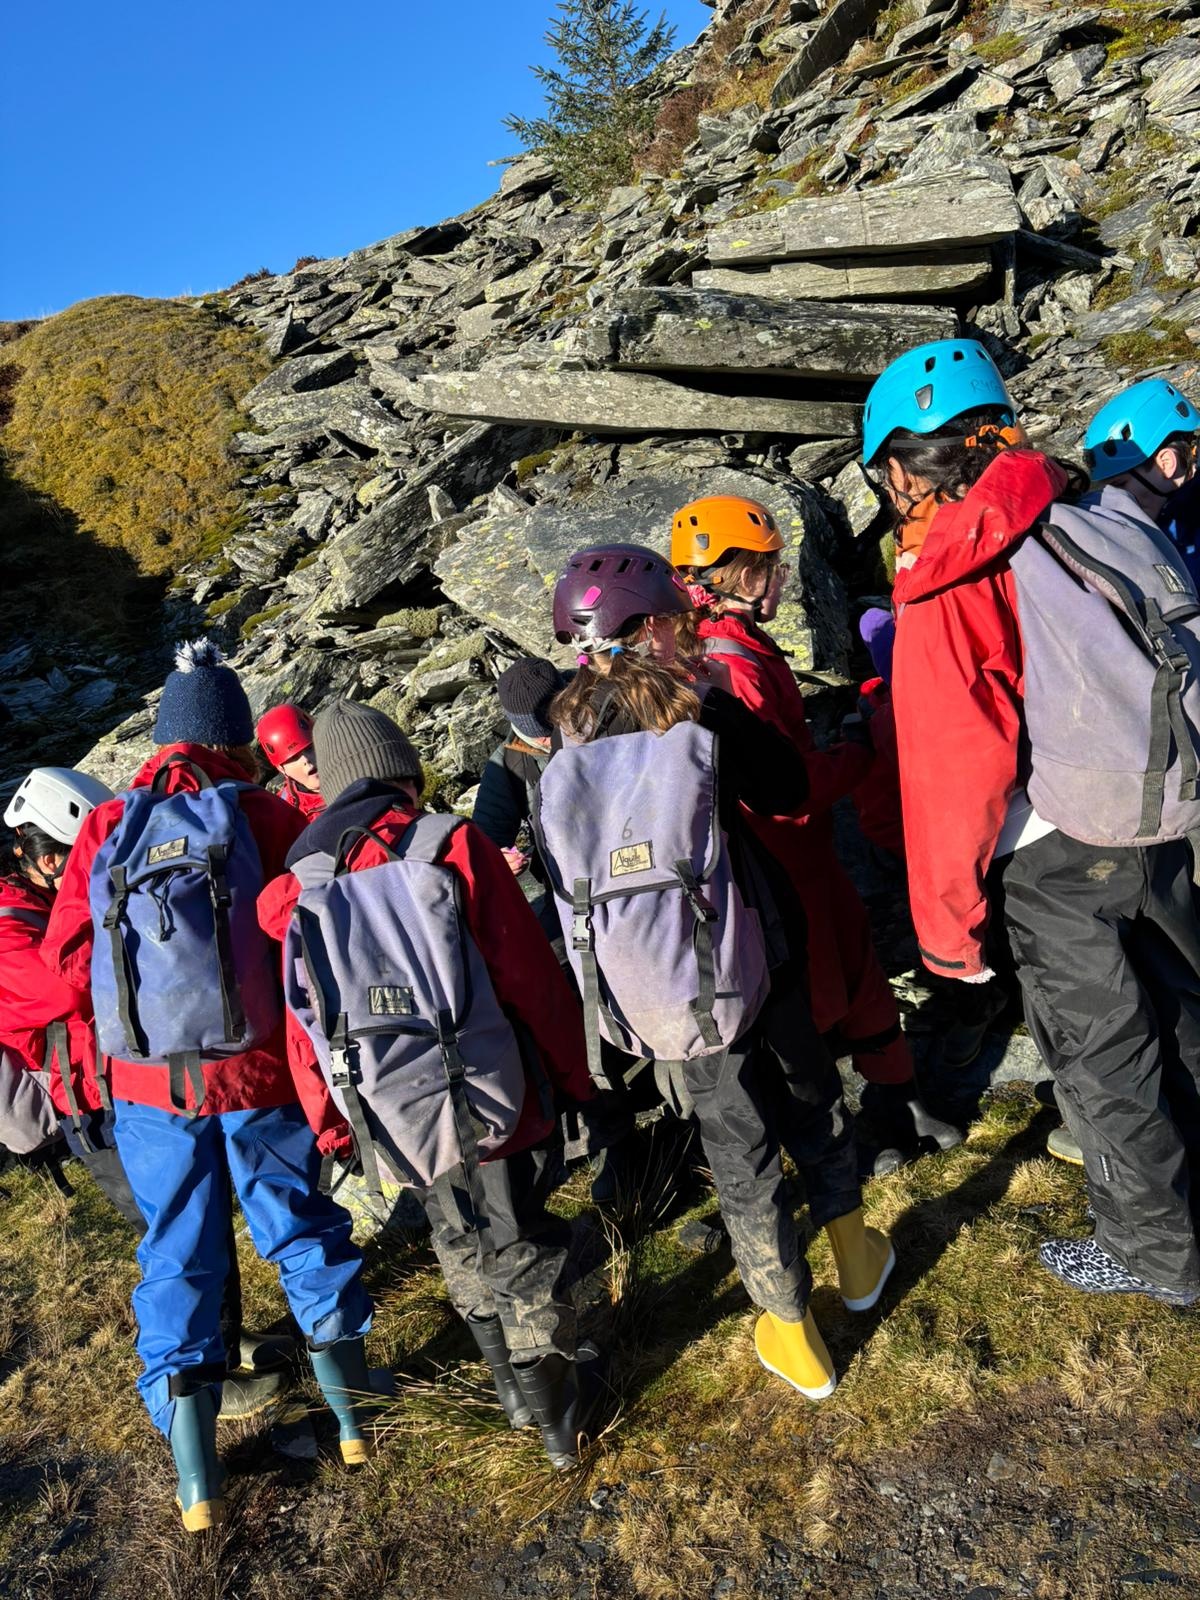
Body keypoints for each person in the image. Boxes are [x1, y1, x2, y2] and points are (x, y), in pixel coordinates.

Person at [865, 337, 1200, 1307]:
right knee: (1183, 1019)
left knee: (1105, 1064)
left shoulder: (948, 572)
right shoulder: (1073, 501)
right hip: (1153, 809)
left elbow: (957, 767)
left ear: (906, 468)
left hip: (1051, 854)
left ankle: (1156, 1260)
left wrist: (947, 930)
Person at [540, 543, 893, 1400]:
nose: (689, 630)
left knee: (740, 1150)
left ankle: (791, 1333)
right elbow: (785, 790)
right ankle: (856, 1259)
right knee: (811, 1097)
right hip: (758, 946)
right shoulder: (694, 707)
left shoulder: (561, 736)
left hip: (669, 985)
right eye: (677, 618)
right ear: (652, 626)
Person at [43, 640, 374, 1531]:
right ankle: (352, 1419)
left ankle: (198, 1481)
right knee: (299, 1227)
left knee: (178, 1257)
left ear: (162, 736)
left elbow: (68, 964)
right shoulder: (262, 813)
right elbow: (303, 934)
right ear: (236, 737)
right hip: (257, 1072)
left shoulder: (107, 828)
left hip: (149, 1087)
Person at [258, 698, 598, 1469]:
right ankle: (558, 1419)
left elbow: (304, 1030)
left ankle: (510, 1390)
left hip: (389, 1108)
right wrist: (575, 1078)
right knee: (517, 1237)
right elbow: (528, 978)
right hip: (489, 1090)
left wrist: (334, 1126)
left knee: (454, 1231)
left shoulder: (300, 885)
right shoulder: (450, 843)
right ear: (400, 770)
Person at [670, 496, 961, 1171]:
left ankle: (899, 1101)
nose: (781, 581)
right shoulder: (734, 666)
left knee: (855, 965)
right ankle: (846, 1134)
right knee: (822, 989)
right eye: (773, 568)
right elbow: (785, 792)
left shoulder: (727, 647)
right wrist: (857, 748)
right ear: (743, 575)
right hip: (781, 863)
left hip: (801, 858)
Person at [257, 703, 324, 818]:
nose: (305, 760)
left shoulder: (354, 763)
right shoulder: (285, 815)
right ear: (281, 769)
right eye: (294, 757)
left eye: (309, 748)